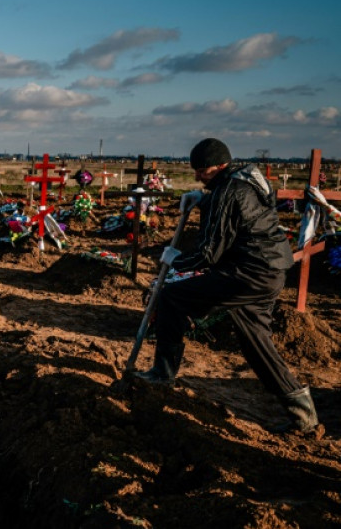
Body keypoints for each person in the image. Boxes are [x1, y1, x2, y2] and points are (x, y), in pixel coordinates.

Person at [135, 137, 318, 434]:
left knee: (172, 297)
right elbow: (243, 214)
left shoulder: (230, 191)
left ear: (220, 165)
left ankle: (162, 374)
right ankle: (302, 412)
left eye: (202, 170)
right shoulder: (243, 182)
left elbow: (209, 252)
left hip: (248, 272)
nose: (197, 175)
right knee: (254, 341)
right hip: (270, 269)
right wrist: (203, 198)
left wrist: (176, 260)